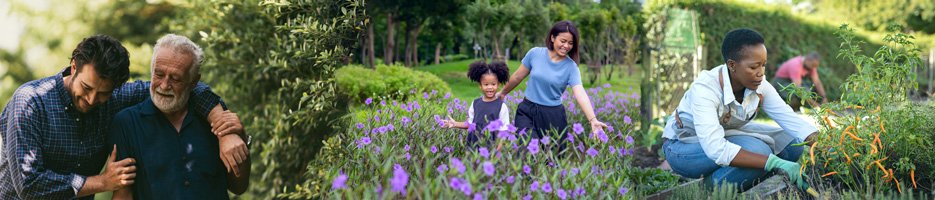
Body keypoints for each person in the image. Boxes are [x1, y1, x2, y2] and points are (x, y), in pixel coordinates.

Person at [0, 35, 247, 199]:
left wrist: (224, 128)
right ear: (74, 66)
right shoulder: (31, 101)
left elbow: (181, 88)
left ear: (115, 88)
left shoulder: (116, 98)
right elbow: (28, 184)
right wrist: (103, 182)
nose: (91, 99)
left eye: (103, 93)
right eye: (86, 88)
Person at [661, 28, 819, 191]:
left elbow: (791, 120)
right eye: (754, 67)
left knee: (792, 144)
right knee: (759, 152)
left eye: (763, 65)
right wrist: (773, 162)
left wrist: (829, 146)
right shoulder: (706, 90)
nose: (761, 73)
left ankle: (731, 175)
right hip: (683, 147)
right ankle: (708, 189)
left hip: (725, 134)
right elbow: (715, 148)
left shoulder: (759, 84)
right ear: (732, 65)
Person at [109, 34, 249, 199]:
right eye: (159, 74)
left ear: (194, 82)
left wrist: (240, 139)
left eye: (175, 78)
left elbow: (238, 187)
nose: (164, 85)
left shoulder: (214, 117)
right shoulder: (126, 123)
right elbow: (123, 195)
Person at [496, 20, 608, 151]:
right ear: (553, 38)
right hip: (527, 111)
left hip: (553, 117)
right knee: (526, 151)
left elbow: (580, 92)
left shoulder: (571, 67)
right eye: (563, 41)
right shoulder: (535, 53)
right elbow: (517, 77)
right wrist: (503, 92)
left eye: (570, 43)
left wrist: (593, 120)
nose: (566, 46)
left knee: (552, 160)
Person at [443, 61, 512, 147]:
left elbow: (504, 131)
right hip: (474, 145)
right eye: (486, 84)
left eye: (493, 84)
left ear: (498, 85)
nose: (490, 87)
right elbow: (471, 123)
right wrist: (455, 124)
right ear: (480, 85)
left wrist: (497, 152)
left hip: (492, 147)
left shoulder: (501, 106)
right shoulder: (475, 103)